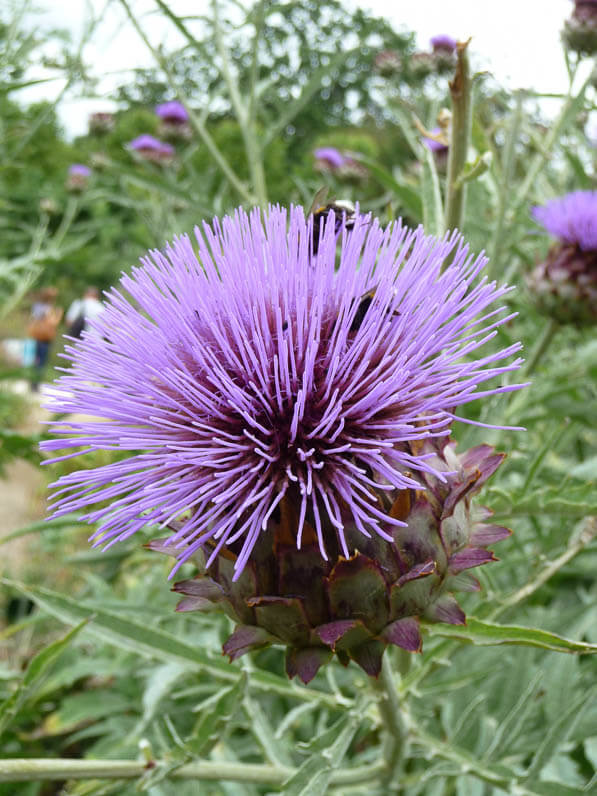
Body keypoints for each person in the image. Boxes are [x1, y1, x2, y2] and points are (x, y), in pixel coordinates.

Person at [27, 286, 63, 392]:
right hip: (45, 337)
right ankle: (35, 385)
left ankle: (32, 383)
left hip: (36, 336)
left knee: (35, 360)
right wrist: (59, 314)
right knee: (41, 361)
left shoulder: (37, 306)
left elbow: (33, 319)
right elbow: (53, 323)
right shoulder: (48, 308)